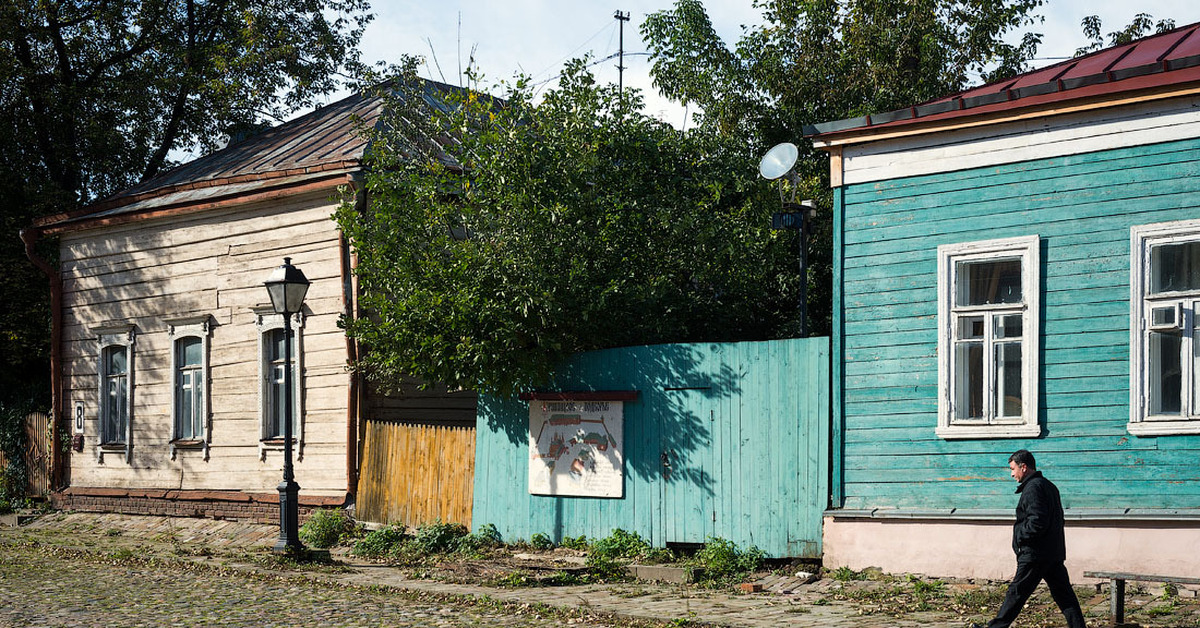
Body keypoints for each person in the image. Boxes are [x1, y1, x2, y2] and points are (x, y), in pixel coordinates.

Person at [973, 450, 1087, 628]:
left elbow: (1037, 521)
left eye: (1013, 469)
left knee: (1016, 593)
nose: (1012, 474)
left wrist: (1020, 538)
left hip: (1036, 554)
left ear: (1023, 467)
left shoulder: (1033, 488)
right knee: (1064, 596)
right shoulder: (1048, 486)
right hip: (1052, 552)